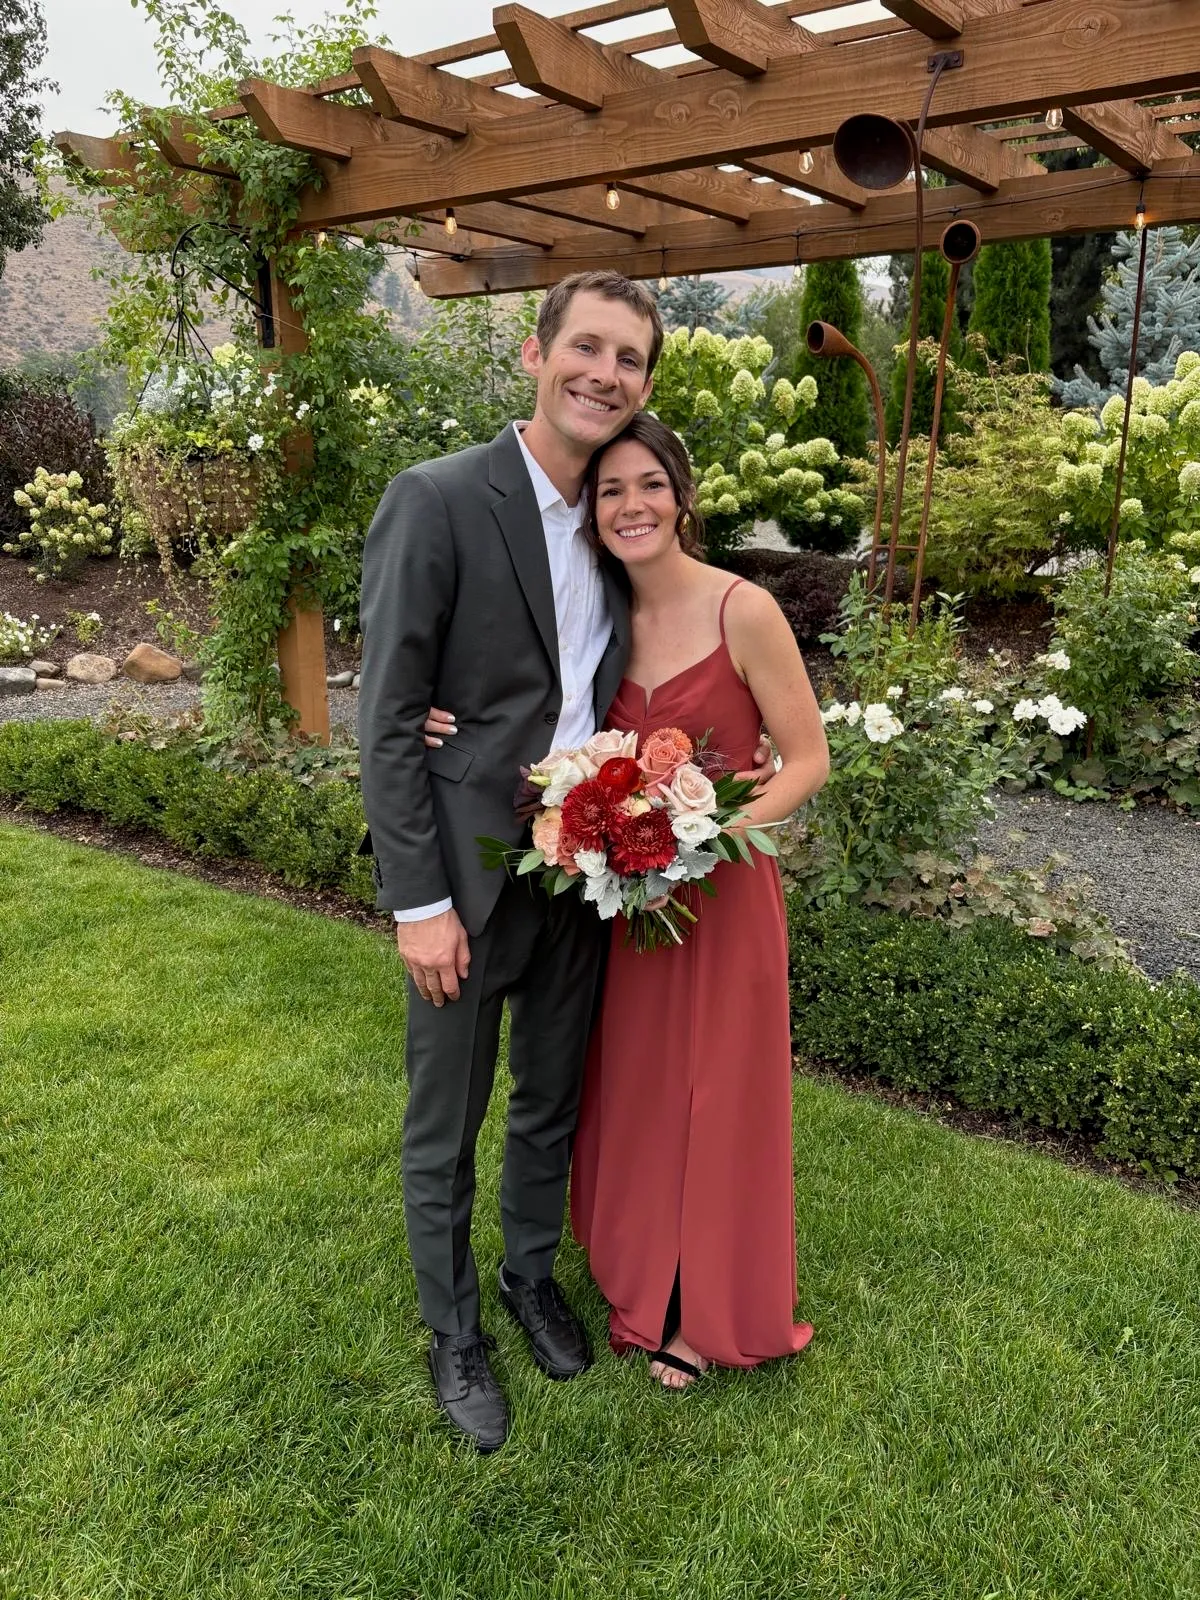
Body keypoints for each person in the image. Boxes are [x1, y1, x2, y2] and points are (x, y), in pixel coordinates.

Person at [358, 270, 774, 1453]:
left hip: (580, 875)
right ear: (537, 355)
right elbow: (387, 717)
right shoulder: (437, 498)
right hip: (465, 882)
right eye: (586, 347)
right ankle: (453, 1331)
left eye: (629, 358)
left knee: (551, 1099)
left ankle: (529, 1274)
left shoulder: (614, 518)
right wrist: (420, 903)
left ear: (644, 382)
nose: (605, 373)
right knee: (446, 1122)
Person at [425, 413, 830, 1392]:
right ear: (592, 513)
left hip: (720, 895)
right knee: (641, 1090)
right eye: (610, 491)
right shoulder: (603, 613)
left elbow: (807, 758)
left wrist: (707, 835)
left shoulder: (743, 609)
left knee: (718, 1095)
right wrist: (436, 710)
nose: (631, 505)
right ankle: (641, 1277)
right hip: (627, 902)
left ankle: (701, 1311)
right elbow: (536, 698)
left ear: (683, 497)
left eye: (650, 484)